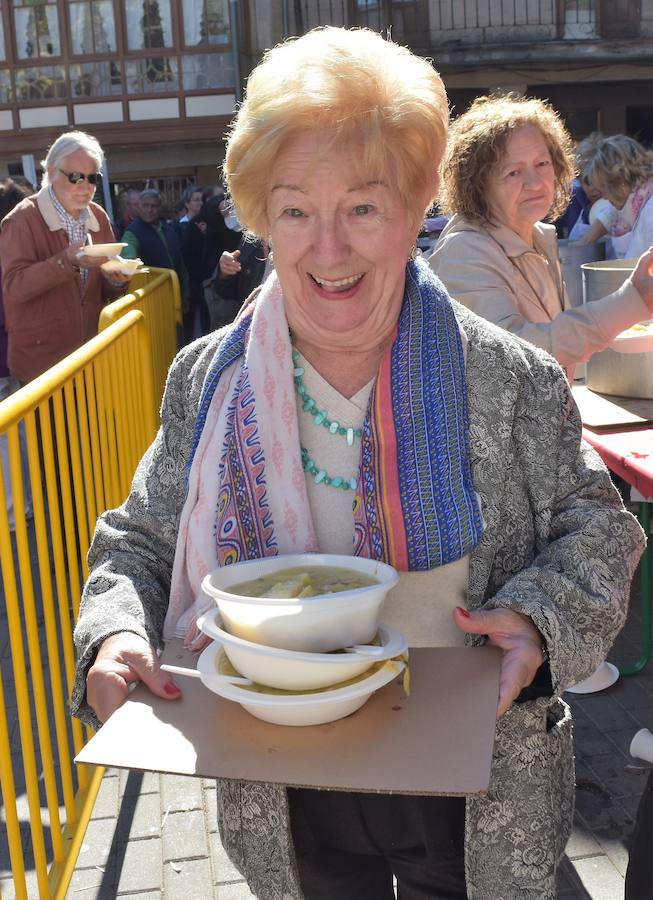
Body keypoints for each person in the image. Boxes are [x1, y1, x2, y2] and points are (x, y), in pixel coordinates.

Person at [71, 27, 645, 900]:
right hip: (281, 784)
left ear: (417, 208)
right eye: (295, 209)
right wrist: (114, 633)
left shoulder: (507, 373)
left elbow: (597, 525)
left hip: (473, 782)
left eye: (364, 208)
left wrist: (536, 621)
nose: (327, 249)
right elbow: (137, 542)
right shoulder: (206, 376)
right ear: (261, 217)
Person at [429, 95, 653, 379]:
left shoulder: (537, 237)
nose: (535, 183)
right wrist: (630, 301)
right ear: (477, 185)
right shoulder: (463, 251)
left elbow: (558, 347)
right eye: (513, 172)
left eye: (542, 164)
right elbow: (511, 357)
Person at [0, 130, 130, 383]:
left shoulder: (97, 215)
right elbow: (14, 287)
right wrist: (66, 261)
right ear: (50, 172)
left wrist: (117, 279)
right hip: (41, 369)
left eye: (92, 178)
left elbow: (105, 290)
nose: (85, 186)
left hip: (89, 360)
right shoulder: (21, 219)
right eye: (75, 177)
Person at [0, 177, 33, 528]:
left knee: (11, 440)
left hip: (10, 358)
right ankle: (17, 508)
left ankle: (14, 511)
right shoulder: (13, 248)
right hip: (12, 356)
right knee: (16, 437)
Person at [582, 134, 653, 260]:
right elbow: (609, 214)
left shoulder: (649, 214)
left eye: (605, 189)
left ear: (620, 183)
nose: (605, 198)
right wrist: (585, 241)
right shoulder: (638, 200)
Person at [206, 236, 271, 329]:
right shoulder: (251, 240)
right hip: (251, 328)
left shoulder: (294, 240)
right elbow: (227, 292)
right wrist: (225, 270)